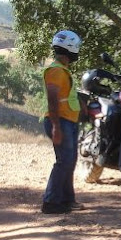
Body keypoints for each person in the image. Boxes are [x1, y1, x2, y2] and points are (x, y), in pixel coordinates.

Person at [41, 30, 84, 214]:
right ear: (71, 49)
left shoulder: (63, 70)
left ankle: (67, 200)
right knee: (64, 161)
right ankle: (50, 202)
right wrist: (56, 127)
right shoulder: (56, 71)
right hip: (60, 121)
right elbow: (52, 98)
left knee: (70, 160)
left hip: (68, 120)